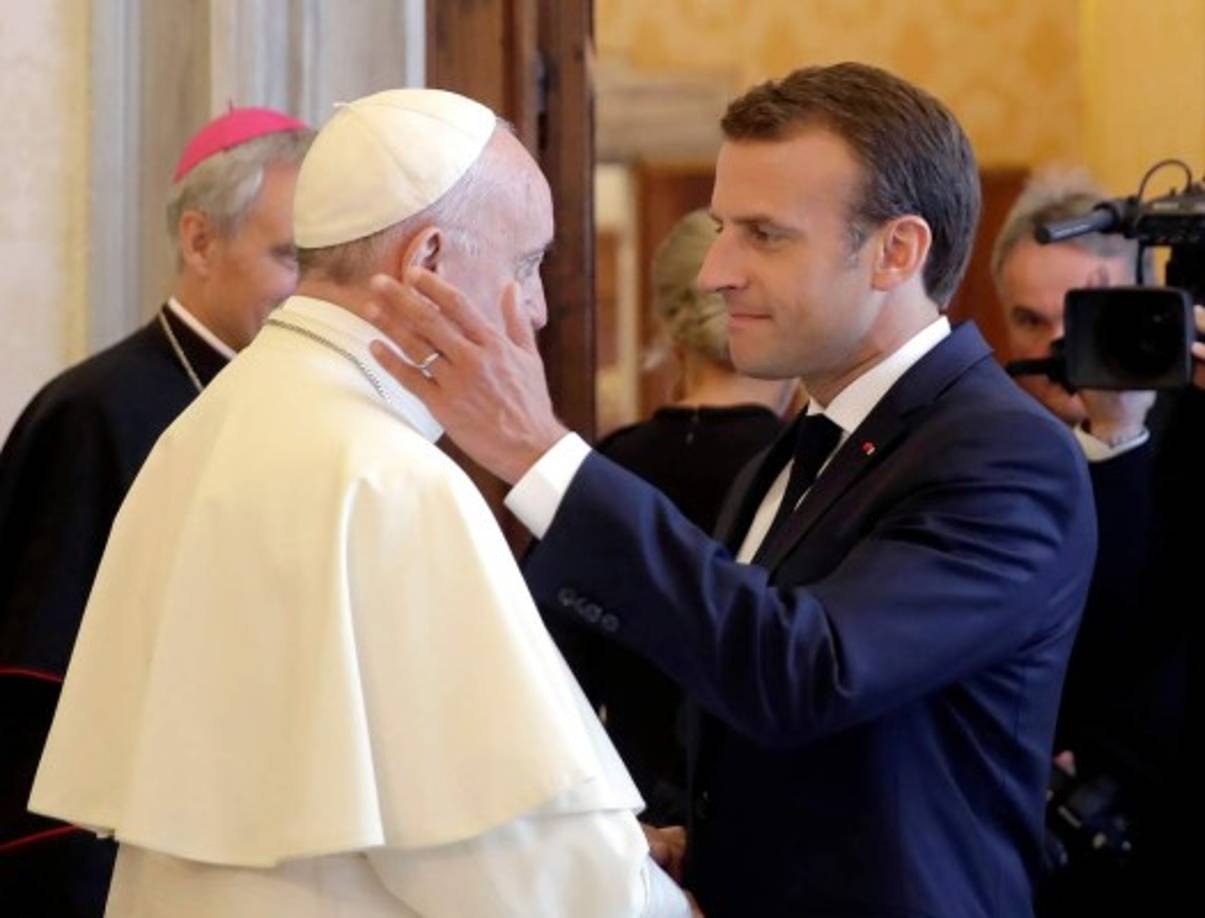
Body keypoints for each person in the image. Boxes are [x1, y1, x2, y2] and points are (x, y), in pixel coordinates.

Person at [356, 62, 1098, 917]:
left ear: (896, 250)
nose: (715, 272)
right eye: (721, 229)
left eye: (764, 234)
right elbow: (746, 705)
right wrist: (696, 839)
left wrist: (536, 450)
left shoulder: (1006, 455)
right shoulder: (795, 447)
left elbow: (807, 673)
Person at [29, 88, 693, 918]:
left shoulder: (198, 430)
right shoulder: (391, 476)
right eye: (526, 265)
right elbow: (500, 853)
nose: (536, 308)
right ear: (428, 261)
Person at [0, 106, 311, 916]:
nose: (309, 293)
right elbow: (36, 687)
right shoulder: (93, 413)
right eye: (288, 258)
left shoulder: (297, 407)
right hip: (108, 865)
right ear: (200, 242)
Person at [558, 209, 795, 826]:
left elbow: (548, 667)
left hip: (623, 824)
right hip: (765, 824)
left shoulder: (607, 468)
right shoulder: (809, 474)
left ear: (668, 321)